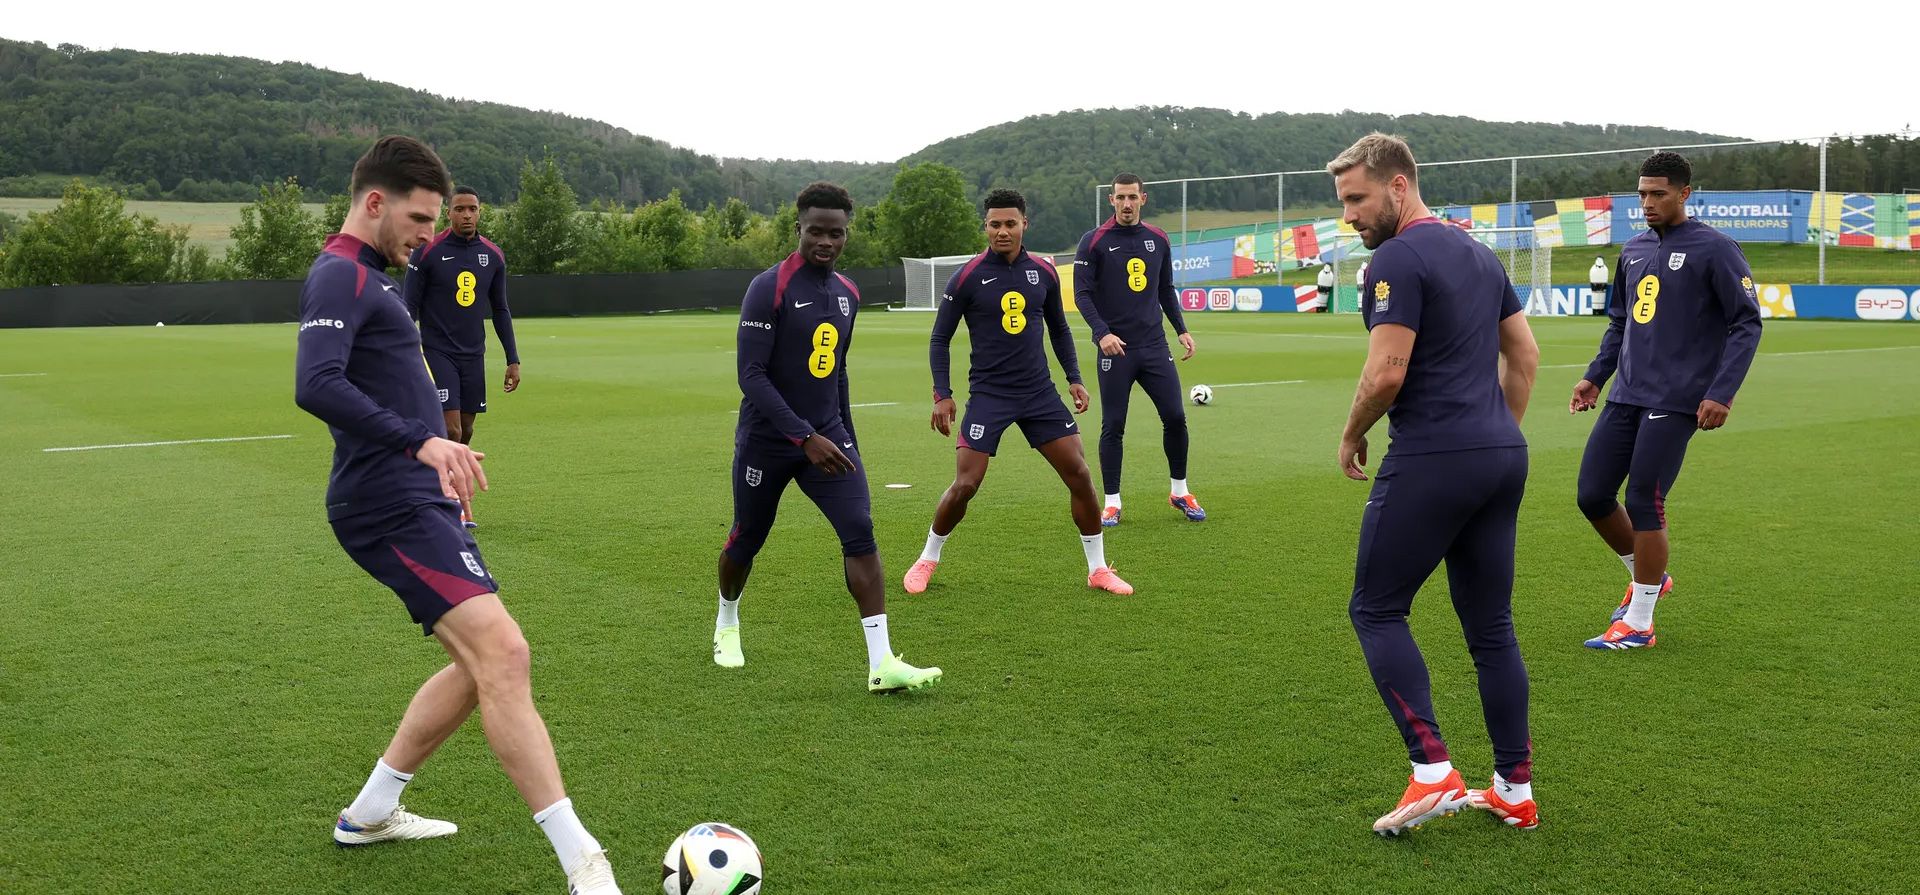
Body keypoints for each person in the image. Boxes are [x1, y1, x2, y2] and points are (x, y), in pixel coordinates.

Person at [295, 136, 620, 893]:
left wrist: (438, 458)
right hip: (386, 502)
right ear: (374, 202)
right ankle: (585, 864)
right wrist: (424, 444)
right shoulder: (339, 274)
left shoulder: (374, 276)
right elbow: (315, 383)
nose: (427, 234)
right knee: (505, 655)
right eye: (416, 217)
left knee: (480, 666)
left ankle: (370, 811)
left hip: (422, 499)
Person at [1327, 133, 1542, 835]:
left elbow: (1386, 372)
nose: (1349, 215)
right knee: (1491, 628)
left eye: (1357, 198)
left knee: (1376, 608)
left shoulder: (1395, 259)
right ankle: (1514, 788)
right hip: (1501, 455)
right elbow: (1526, 354)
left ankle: (1432, 769)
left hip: (1433, 455)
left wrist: (1353, 430)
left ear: (1397, 186)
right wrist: (1492, 431)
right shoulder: (1479, 254)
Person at [713, 181, 942, 694]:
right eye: (816, 231)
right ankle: (727, 620)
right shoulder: (768, 287)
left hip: (829, 436)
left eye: (836, 233)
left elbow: (837, 372)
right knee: (747, 538)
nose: (826, 241)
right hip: (769, 441)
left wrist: (846, 437)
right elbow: (751, 374)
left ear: (846, 234)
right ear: (798, 228)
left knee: (859, 530)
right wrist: (803, 437)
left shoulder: (849, 293)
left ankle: (881, 663)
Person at [1572, 151, 1762, 649]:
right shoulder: (1633, 249)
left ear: (1684, 194)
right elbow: (1621, 321)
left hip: (1678, 397)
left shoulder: (1716, 248)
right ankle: (1649, 578)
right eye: (1642, 194)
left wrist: (1722, 392)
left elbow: (1746, 323)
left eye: (1658, 194)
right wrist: (1595, 377)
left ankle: (1639, 623)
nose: (1648, 203)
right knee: (1592, 494)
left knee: (1643, 498)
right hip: (1626, 393)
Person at [902, 189, 1132, 597]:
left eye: (1010, 223)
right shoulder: (968, 276)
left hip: (1039, 393)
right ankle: (927, 558)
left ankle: (1098, 569)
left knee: (1079, 474)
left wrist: (1074, 377)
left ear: (1025, 224)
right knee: (967, 484)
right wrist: (942, 393)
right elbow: (940, 338)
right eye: (995, 224)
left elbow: (1059, 329)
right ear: (985, 226)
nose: (1002, 231)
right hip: (989, 395)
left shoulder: (1043, 272)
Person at [1071, 173, 1203, 527]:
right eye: (1120, 198)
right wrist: (1102, 334)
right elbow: (1081, 294)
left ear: (1143, 199)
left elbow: (1165, 289)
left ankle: (1180, 491)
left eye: (1132, 197)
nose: (1126, 204)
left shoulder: (1158, 238)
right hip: (1115, 349)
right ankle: (1112, 501)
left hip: (1154, 346)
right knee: (1113, 424)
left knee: (1175, 417)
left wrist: (1181, 329)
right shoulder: (1093, 241)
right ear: (1111, 200)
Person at [402, 185, 520, 528]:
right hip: (436, 351)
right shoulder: (426, 253)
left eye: (473, 209)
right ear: (448, 213)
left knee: (465, 430)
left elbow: (500, 309)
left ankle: (437, 487)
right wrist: (403, 353)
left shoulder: (492, 255)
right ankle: (453, 504)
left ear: (480, 212)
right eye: (460, 209)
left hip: (474, 355)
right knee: (451, 430)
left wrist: (512, 358)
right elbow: (408, 307)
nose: (467, 215)